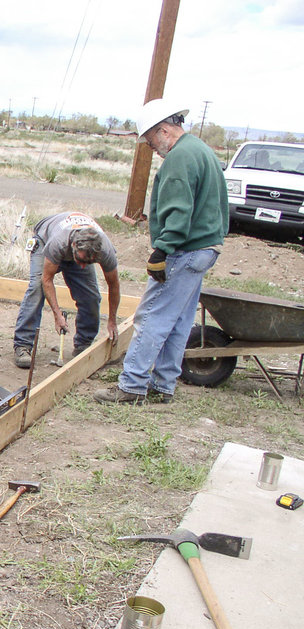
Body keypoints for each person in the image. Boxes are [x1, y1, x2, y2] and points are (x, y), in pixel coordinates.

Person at [94, 100, 228, 405]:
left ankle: (131, 385)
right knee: (179, 319)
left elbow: (179, 211)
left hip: (185, 250)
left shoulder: (180, 158)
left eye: (152, 140)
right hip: (205, 248)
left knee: (151, 317)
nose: (152, 148)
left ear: (164, 130)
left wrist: (162, 250)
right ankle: (163, 383)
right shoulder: (201, 150)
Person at [12, 212, 120, 368]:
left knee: (91, 296)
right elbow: (46, 280)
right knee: (36, 288)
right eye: (81, 261)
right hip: (45, 239)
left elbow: (114, 286)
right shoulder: (58, 243)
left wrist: (112, 321)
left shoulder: (105, 249)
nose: (83, 266)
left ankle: (84, 344)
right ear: (74, 246)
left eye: (89, 262)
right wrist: (57, 314)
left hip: (77, 248)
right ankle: (23, 345)